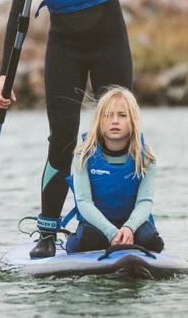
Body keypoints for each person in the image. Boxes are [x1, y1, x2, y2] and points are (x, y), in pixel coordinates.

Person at [0, 0, 132, 257]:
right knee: (62, 141)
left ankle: (122, 229)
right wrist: (5, 77)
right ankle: (47, 233)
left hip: (109, 39)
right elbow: (17, 15)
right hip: (65, 46)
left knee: (118, 134)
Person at [65, 86, 164, 254]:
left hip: (132, 226)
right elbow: (83, 202)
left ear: (133, 120)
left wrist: (129, 228)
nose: (115, 121)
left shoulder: (146, 157)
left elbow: (145, 202)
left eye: (122, 115)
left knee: (153, 242)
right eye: (108, 115)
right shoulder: (83, 155)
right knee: (84, 242)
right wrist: (111, 232)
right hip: (96, 226)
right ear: (99, 120)